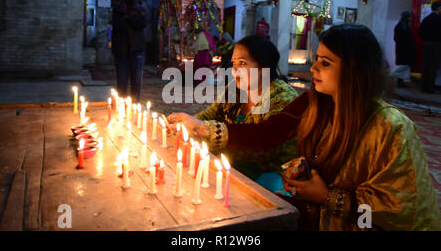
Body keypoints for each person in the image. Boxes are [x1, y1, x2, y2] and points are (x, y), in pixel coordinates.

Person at [168, 24, 440, 230]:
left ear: (356, 70)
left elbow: (399, 210)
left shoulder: (391, 127)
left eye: (325, 62)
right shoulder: (317, 102)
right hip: (316, 212)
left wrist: (326, 196)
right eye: (233, 64)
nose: (312, 68)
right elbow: (273, 129)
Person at [169, 35, 299, 188]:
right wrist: (184, 123)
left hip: (269, 172)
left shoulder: (283, 98)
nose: (235, 70)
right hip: (233, 162)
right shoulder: (235, 89)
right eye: (233, 63)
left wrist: (202, 130)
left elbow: (264, 150)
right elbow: (209, 114)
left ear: (264, 67)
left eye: (242, 63)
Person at [111, 0, 147, 102]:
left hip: (137, 50)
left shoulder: (140, 9)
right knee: (121, 81)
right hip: (122, 51)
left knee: (136, 82)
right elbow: (118, 25)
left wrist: (128, 18)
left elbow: (141, 24)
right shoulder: (118, 9)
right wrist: (131, 19)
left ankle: (135, 106)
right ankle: (122, 107)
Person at [420, 1, 441, 93]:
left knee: (425, 65)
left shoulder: (426, 19)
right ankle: (430, 88)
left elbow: (420, 32)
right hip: (436, 44)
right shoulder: (439, 19)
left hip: (425, 44)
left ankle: (423, 87)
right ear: (438, 8)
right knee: (433, 66)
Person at [392, 11, 416, 88]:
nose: (410, 18)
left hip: (402, 48)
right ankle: (392, 74)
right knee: (405, 64)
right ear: (406, 17)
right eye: (409, 17)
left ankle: (400, 82)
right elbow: (405, 38)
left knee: (404, 64)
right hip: (405, 49)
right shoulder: (403, 26)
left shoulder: (401, 25)